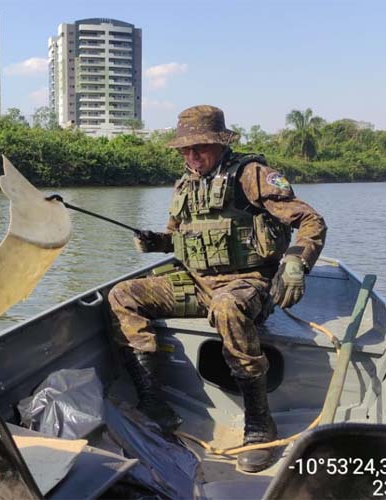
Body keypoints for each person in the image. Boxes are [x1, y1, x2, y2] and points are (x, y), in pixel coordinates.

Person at [108, 105, 327, 473]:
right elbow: (179, 237)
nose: (192, 156)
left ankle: (258, 422)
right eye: (186, 150)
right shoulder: (185, 184)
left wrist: (295, 262)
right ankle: (153, 402)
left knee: (227, 306)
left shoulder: (252, 175)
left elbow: (310, 220)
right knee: (122, 295)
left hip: (248, 282)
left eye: (200, 148)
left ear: (220, 144)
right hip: (197, 283)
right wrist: (156, 242)